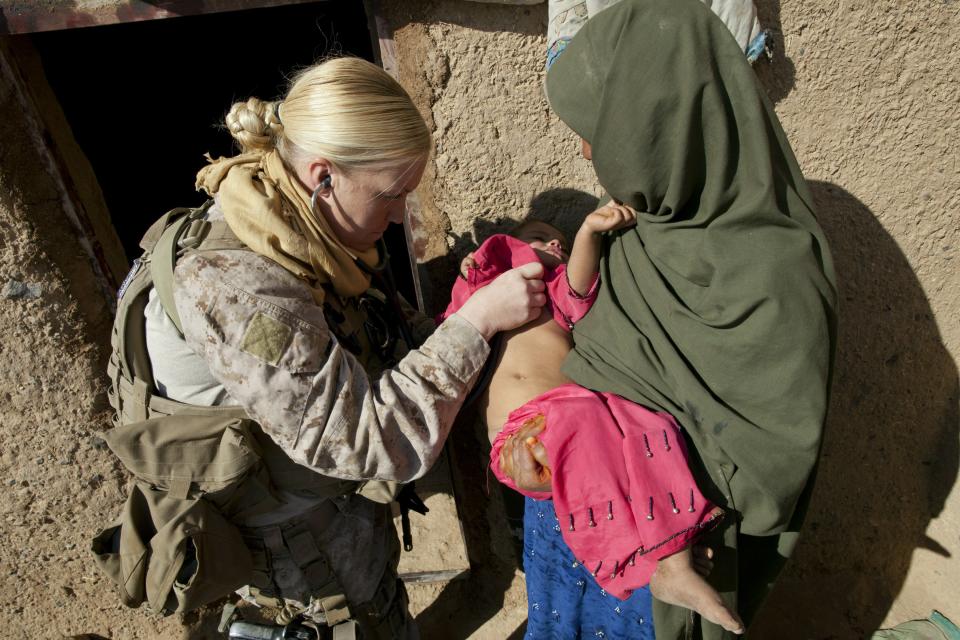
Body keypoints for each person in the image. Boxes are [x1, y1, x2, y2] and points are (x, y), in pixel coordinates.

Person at [123, 56, 547, 638]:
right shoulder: (238, 285)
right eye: (391, 194)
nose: (400, 216)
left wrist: (476, 308)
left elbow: (367, 347)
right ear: (324, 175)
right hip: (295, 566)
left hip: (333, 523)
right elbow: (373, 443)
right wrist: (476, 323)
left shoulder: (291, 226)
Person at [497, 0, 838, 639]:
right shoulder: (637, 226)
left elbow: (769, 455)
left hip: (681, 562)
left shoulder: (774, 269)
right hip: (575, 527)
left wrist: (664, 532)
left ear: (663, 124)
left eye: (601, 122)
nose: (583, 145)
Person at [440, 213, 743, 634]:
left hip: (573, 432)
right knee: (583, 417)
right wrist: (474, 269)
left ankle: (672, 557)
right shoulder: (485, 291)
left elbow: (579, 286)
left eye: (560, 241)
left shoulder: (556, 294)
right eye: (540, 236)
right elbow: (450, 338)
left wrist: (588, 234)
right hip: (522, 441)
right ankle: (642, 565)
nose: (554, 244)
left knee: (650, 425)